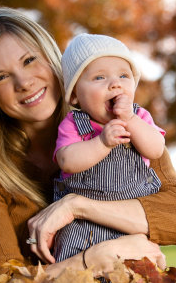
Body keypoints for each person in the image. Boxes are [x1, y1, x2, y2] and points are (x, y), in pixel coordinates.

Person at [0, 6, 176, 283]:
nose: (23, 82)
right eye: (0, 77)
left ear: (54, 61)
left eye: (30, 60)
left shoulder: (120, 124)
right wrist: (91, 260)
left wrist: (78, 206)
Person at [52, 33, 165, 262]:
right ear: (74, 95)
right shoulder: (74, 124)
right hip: (83, 229)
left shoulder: (139, 117)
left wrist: (131, 121)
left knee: (142, 278)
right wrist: (101, 143)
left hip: (131, 223)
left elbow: (156, 150)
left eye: (124, 75)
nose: (115, 83)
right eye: (99, 77)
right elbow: (67, 161)